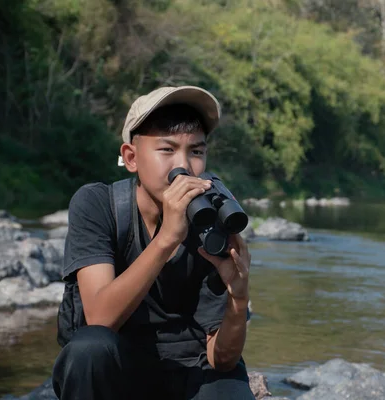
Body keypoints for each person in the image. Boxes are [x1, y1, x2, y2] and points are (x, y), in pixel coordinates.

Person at [52, 86, 255, 400]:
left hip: (192, 368)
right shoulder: (97, 204)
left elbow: (222, 359)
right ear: (131, 158)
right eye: (167, 150)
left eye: (196, 152)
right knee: (87, 350)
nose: (183, 166)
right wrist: (168, 237)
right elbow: (100, 319)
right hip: (120, 367)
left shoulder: (210, 219)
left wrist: (238, 299)